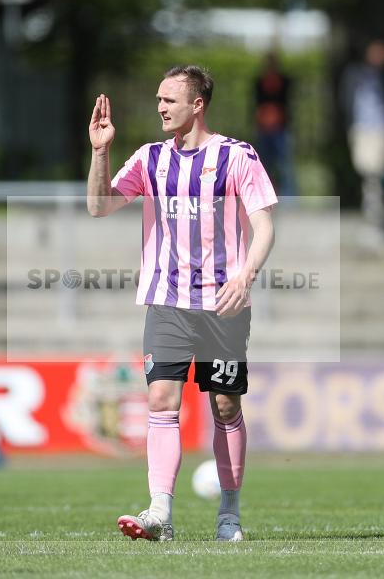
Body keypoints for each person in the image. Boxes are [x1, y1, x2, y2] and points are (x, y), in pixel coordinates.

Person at [87, 66, 277, 541]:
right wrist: (100, 152)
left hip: (223, 305)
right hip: (166, 301)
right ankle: (160, 514)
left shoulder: (236, 156)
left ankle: (229, 515)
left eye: (169, 100)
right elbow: (99, 205)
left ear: (197, 104)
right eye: (158, 99)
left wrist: (245, 276)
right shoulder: (150, 158)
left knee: (225, 406)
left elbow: (265, 226)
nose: (160, 107)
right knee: (160, 399)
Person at [341, 39, 384, 226]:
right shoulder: (355, 73)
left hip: (380, 127)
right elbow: (347, 99)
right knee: (365, 167)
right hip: (362, 127)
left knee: (378, 169)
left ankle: (375, 205)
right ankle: (372, 203)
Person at [253, 52, 296, 197]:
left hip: (280, 127)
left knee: (285, 165)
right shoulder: (260, 81)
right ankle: (265, 194)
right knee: (264, 164)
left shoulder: (283, 80)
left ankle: (289, 197)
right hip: (264, 127)